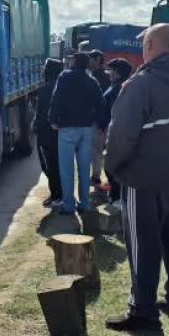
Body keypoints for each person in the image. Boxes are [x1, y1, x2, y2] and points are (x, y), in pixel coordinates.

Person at [104, 24, 169, 333]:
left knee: (143, 245)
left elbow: (121, 136)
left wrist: (112, 167)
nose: (142, 50)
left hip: (143, 179)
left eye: (145, 44)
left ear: (152, 44)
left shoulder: (141, 84)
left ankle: (142, 310)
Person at [49, 52, 106, 215]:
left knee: (66, 169)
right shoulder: (92, 81)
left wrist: (53, 119)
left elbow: (56, 98)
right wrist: (100, 123)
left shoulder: (64, 77)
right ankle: (84, 204)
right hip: (87, 129)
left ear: (74, 62)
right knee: (83, 168)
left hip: (67, 129)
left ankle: (68, 205)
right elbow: (101, 103)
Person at [101, 58, 133, 209]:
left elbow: (113, 114)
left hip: (114, 132)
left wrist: (105, 129)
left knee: (112, 165)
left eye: (112, 70)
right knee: (111, 165)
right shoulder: (117, 86)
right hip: (112, 131)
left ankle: (117, 198)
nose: (109, 73)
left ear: (119, 73)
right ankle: (116, 196)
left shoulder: (119, 89)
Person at [34, 58, 65, 207]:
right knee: (59, 164)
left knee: (50, 165)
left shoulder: (45, 89)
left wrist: (36, 128)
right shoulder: (63, 86)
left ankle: (57, 196)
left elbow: (41, 113)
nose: (43, 71)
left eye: (45, 69)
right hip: (61, 133)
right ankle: (60, 194)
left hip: (47, 133)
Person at [88, 50, 110, 187]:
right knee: (100, 149)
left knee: (96, 149)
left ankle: (96, 177)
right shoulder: (106, 76)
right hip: (104, 119)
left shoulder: (96, 76)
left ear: (97, 59)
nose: (88, 61)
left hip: (97, 120)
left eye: (91, 58)